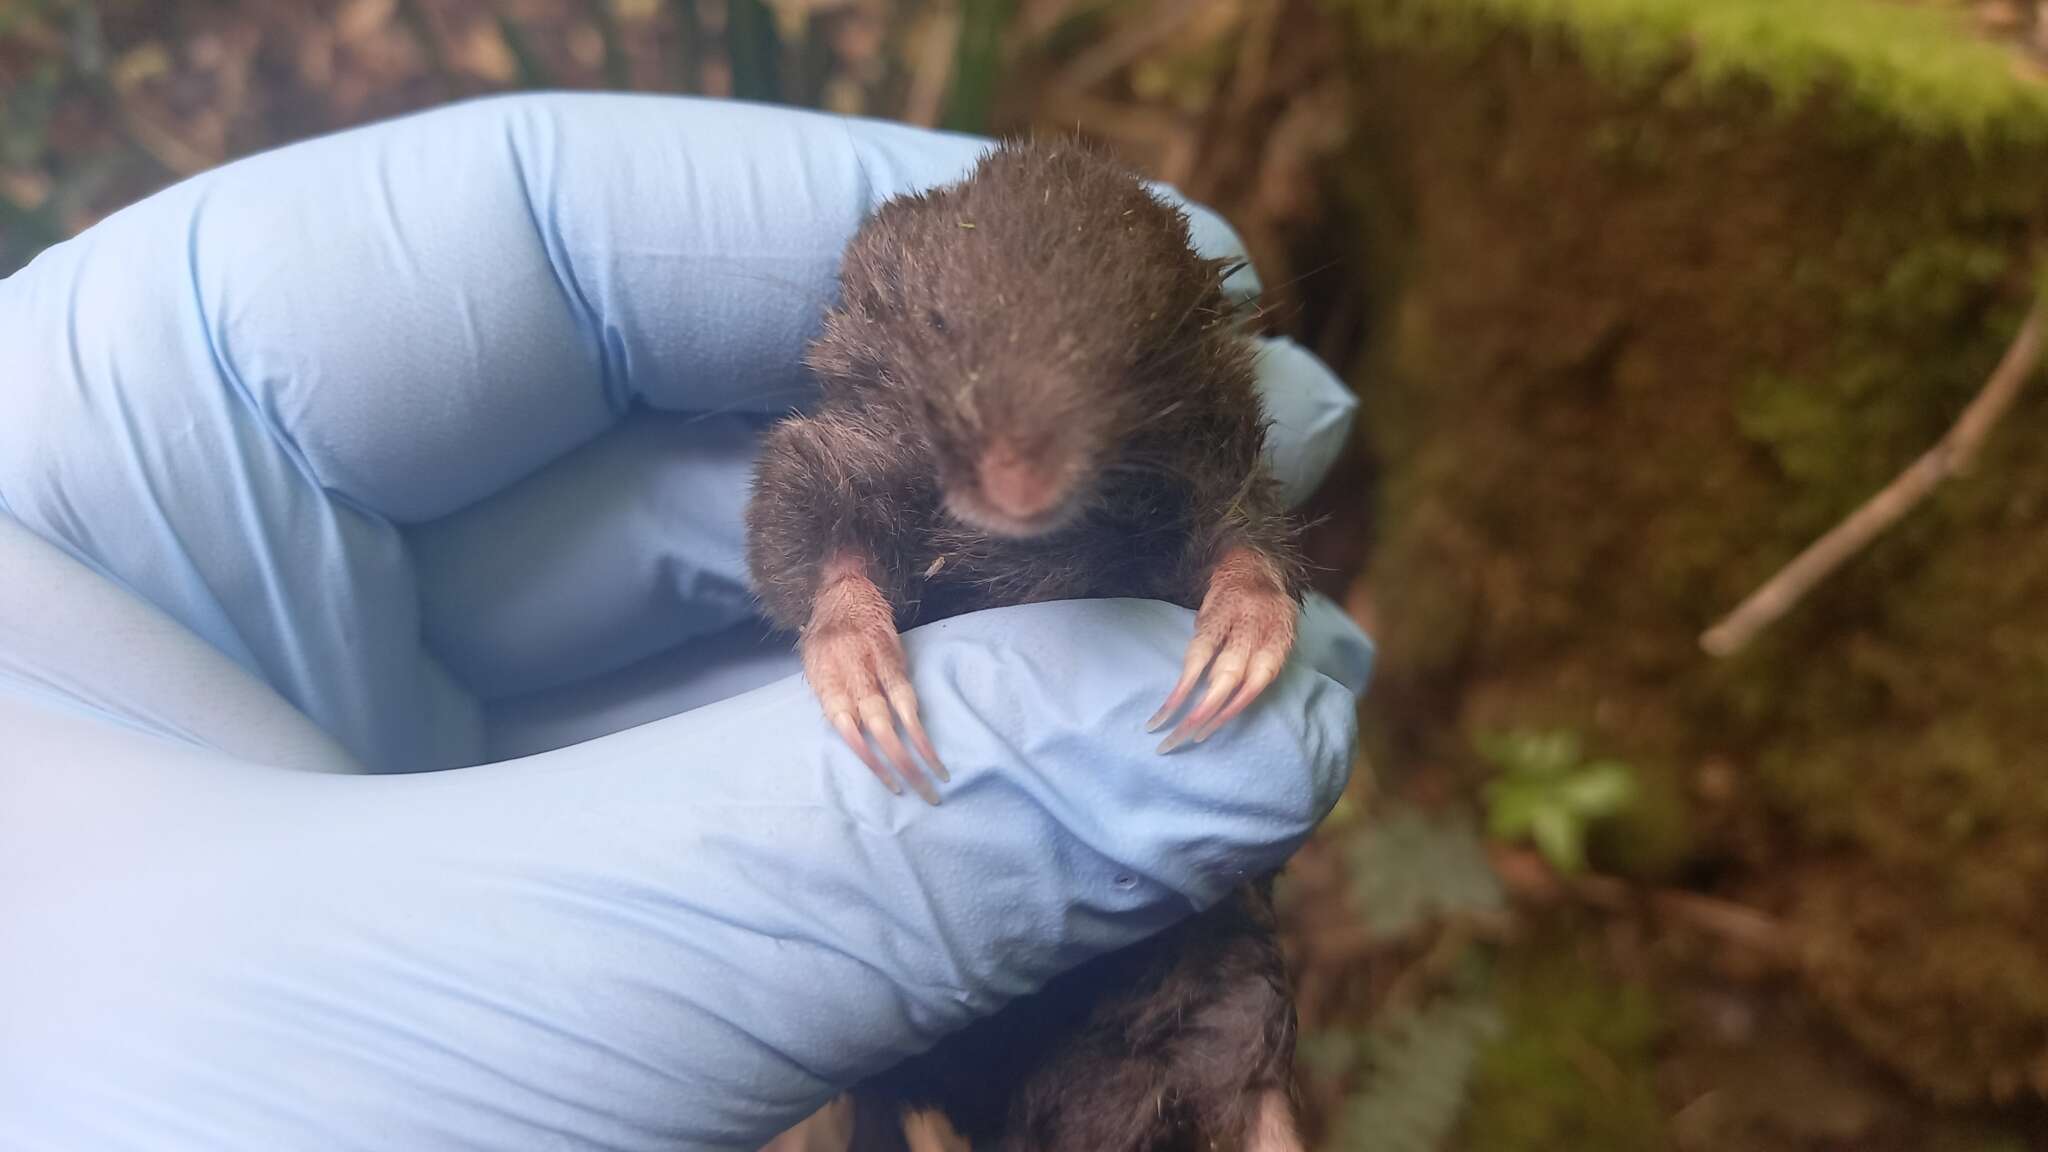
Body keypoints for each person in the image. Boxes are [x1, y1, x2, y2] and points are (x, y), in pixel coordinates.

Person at [0, 92, 1373, 1151]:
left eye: (1091, 395)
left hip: (1156, 948)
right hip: (903, 1008)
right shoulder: (875, 428)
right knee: (859, 1062)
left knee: (1208, 1021)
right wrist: (843, 599)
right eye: (978, 406)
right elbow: (815, 500)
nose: (1017, 476)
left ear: (1181, 348)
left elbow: (1225, 497)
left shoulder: (1191, 420)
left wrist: (1248, 573)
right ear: (887, 309)